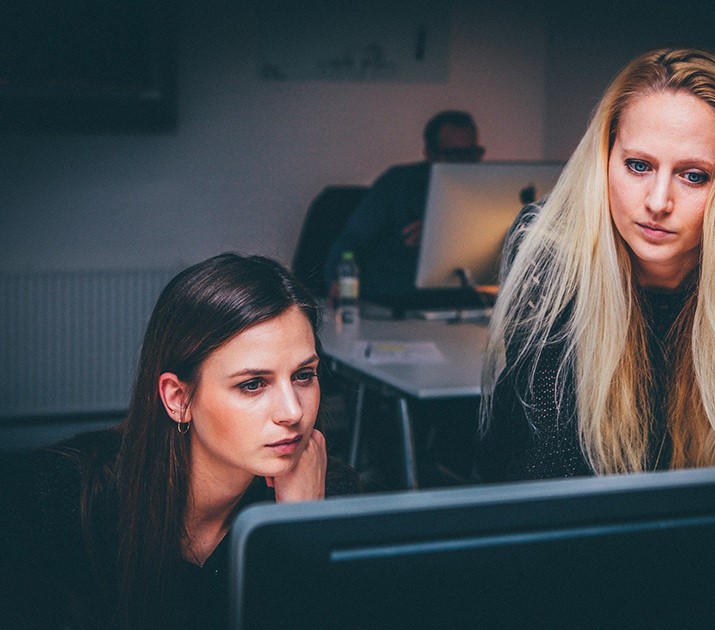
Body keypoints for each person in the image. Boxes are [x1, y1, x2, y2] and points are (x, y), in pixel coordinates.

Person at [477, 48, 715, 482]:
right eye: (638, 165)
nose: (658, 202)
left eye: (694, 176)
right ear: (604, 159)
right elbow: (553, 464)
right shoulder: (550, 246)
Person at [0, 253, 360, 629]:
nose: (292, 412)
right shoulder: (53, 500)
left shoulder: (322, 498)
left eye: (304, 375)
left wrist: (299, 529)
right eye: (252, 384)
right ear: (178, 399)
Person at [323, 110, 485, 302]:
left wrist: (446, 233)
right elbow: (352, 239)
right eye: (453, 155)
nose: (464, 164)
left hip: (463, 299)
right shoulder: (398, 184)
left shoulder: (484, 193)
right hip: (396, 298)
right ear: (429, 154)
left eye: (471, 154)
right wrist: (338, 281)